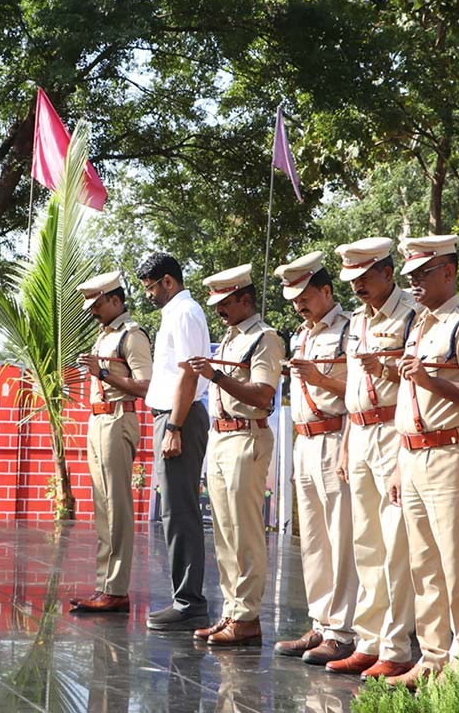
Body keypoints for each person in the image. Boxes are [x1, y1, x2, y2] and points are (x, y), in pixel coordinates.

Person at [386, 234, 459, 688]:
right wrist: (398, 461)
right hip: (413, 453)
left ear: (448, 272)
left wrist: (435, 383)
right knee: (424, 565)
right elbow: (409, 402)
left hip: (452, 450)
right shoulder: (421, 325)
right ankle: (432, 657)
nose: (413, 282)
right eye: (409, 274)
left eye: (422, 273)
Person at [324, 237, 418, 680]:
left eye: (365, 277)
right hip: (359, 431)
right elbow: (351, 390)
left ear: (387, 272)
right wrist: (345, 441)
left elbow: (417, 383)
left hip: (394, 431)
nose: (358, 286)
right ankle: (370, 640)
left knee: (395, 544)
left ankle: (397, 646)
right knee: (366, 542)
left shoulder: (412, 313)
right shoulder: (357, 320)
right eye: (352, 279)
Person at [184, 263, 284, 646]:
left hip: (247, 436)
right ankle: (232, 612)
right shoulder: (229, 339)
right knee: (224, 533)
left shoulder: (264, 339)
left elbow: (263, 396)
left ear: (246, 299)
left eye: (226, 303)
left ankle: (246, 616)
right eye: (217, 304)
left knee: (244, 532)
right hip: (222, 437)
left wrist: (216, 377)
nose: (220, 310)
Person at [269, 252, 358, 665]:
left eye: (305, 296)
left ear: (326, 290)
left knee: (341, 537)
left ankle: (343, 630)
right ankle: (321, 622)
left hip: (336, 434)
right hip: (305, 440)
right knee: (314, 542)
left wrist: (321, 379)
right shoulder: (301, 335)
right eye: (294, 299)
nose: (299, 305)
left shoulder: (349, 329)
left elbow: (360, 392)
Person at [136, 252, 214, 631]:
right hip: (172, 415)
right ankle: (184, 599)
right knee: (175, 511)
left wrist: (174, 428)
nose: (149, 295)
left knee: (180, 512)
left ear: (169, 281)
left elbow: (188, 373)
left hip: (179, 416)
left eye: (151, 287)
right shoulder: (175, 313)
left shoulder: (184, 312)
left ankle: (189, 603)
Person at [71, 271, 152, 614]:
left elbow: (145, 386)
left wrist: (102, 373)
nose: (93, 310)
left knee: (116, 506)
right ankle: (105, 584)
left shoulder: (131, 337)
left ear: (116, 300)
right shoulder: (105, 336)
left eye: (99, 303)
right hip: (99, 418)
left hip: (118, 417)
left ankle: (116, 588)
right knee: (103, 507)